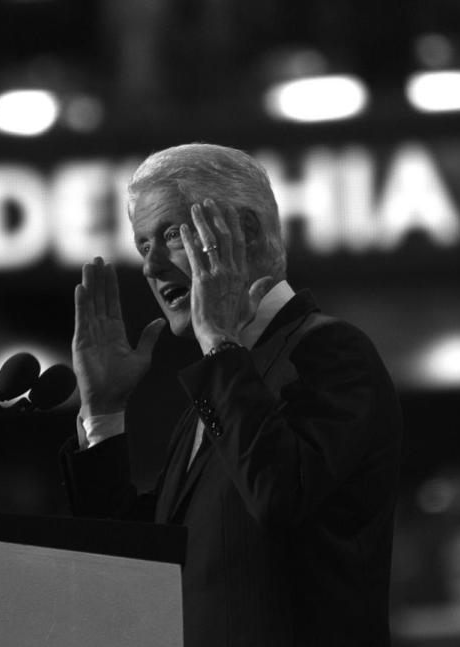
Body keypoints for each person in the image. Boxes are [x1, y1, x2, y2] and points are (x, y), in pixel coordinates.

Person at [60, 143, 402, 646]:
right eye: (141, 246)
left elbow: (280, 496)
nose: (150, 268)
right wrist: (104, 414)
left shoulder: (328, 351)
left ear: (243, 232)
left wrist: (219, 343)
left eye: (171, 234)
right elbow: (140, 560)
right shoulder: (222, 384)